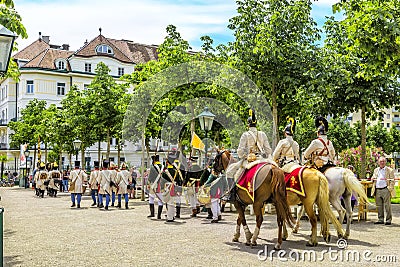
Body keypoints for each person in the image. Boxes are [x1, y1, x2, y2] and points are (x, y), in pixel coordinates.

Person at [226, 108, 272, 180]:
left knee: (229, 172)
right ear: (256, 124)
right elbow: (268, 151)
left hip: (249, 160)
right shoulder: (263, 134)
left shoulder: (245, 135)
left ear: (248, 125)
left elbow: (240, 152)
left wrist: (244, 156)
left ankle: (233, 191)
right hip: (262, 158)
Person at [371, 156, 396, 225]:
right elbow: (374, 177)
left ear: (385, 162)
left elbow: (392, 180)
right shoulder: (376, 170)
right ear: (378, 162)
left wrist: (389, 189)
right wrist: (372, 178)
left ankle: (388, 220)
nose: (382, 162)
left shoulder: (389, 170)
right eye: (381, 161)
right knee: (379, 206)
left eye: (383, 161)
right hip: (377, 189)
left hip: (386, 189)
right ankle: (380, 219)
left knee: (387, 205)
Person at [162, 153, 178, 222]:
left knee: (169, 203)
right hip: (174, 187)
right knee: (172, 202)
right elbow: (179, 180)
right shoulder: (176, 171)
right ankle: (172, 215)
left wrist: (162, 189)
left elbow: (162, 181)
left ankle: (170, 217)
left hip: (167, 188)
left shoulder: (165, 172)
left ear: (167, 162)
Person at [147, 154, 164, 219]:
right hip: (161, 185)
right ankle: (159, 215)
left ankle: (152, 213)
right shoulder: (163, 166)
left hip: (154, 185)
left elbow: (150, 177)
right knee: (160, 200)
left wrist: (148, 183)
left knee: (151, 198)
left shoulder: (153, 167)